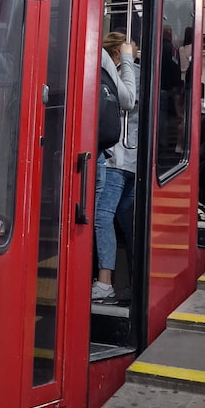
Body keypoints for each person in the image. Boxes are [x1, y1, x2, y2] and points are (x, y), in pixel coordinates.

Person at [93, 31, 137, 305]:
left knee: (101, 217)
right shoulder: (140, 74)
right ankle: (135, 281)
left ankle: (105, 281)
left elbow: (127, 100)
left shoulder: (117, 74)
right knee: (128, 223)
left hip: (115, 160)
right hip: (133, 162)